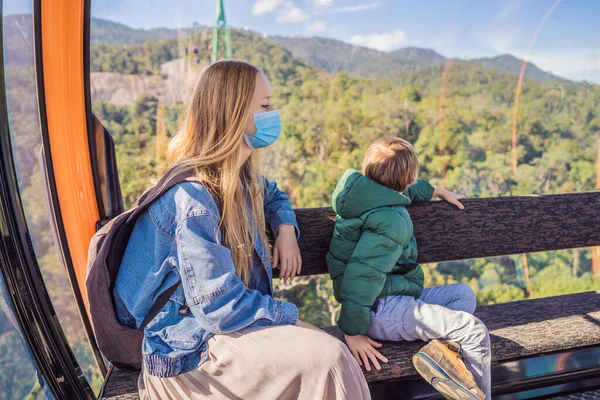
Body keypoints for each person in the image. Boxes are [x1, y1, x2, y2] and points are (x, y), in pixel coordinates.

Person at [113, 60, 370, 400]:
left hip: (217, 331)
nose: (273, 112)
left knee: (332, 356)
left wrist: (286, 229)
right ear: (234, 114)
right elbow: (220, 307)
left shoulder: (240, 178)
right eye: (265, 106)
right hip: (184, 349)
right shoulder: (193, 199)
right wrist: (291, 316)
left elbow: (274, 195)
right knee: (330, 358)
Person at [326, 136, 491, 399]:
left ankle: (439, 354)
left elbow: (404, 192)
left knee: (463, 294)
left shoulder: (366, 195)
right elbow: (362, 276)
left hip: (389, 297)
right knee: (474, 331)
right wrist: (353, 332)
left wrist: (437, 191)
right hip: (378, 309)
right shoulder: (391, 221)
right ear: (409, 177)